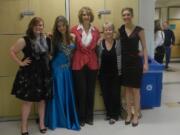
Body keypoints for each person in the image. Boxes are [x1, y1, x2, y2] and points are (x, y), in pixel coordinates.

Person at [10, 17, 52, 135]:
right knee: (27, 102)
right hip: (29, 74)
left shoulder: (47, 39)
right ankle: (24, 127)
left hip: (43, 73)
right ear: (31, 26)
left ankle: (42, 124)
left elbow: (48, 54)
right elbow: (12, 51)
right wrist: (20, 63)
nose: (39, 27)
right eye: (36, 25)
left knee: (42, 101)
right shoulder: (24, 40)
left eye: (41, 25)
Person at [45, 16, 80, 131]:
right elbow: (50, 54)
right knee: (58, 93)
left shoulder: (73, 37)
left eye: (63, 25)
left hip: (67, 69)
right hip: (57, 68)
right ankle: (57, 119)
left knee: (66, 93)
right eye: (59, 26)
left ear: (66, 25)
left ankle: (66, 116)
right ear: (56, 27)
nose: (61, 28)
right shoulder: (53, 38)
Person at [118, 7, 148, 127]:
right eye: (124, 15)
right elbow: (112, 38)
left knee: (136, 90)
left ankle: (136, 115)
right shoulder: (120, 29)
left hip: (136, 63)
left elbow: (144, 48)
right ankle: (129, 114)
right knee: (127, 90)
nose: (126, 17)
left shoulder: (139, 30)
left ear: (132, 15)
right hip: (125, 63)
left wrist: (145, 63)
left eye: (128, 14)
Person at [71, 6, 100, 126]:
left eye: (88, 14)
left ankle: (89, 117)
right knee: (81, 91)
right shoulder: (73, 30)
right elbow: (68, 44)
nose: (86, 16)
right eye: (83, 14)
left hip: (92, 63)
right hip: (78, 62)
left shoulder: (96, 30)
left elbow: (98, 46)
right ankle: (81, 117)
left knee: (90, 91)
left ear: (90, 16)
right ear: (81, 17)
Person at [98, 22, 122, 124]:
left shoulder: (118, 43)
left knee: (115, 94)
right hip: (103, 74)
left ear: (113, 31)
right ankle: (109, 113)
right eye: (106, 29)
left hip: (116, 74)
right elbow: (97, 57)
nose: (108, 31)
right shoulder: (100, 43)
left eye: (110, 29)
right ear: (103, 31)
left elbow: (120, 57)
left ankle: (115, 115)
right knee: (106, 94)